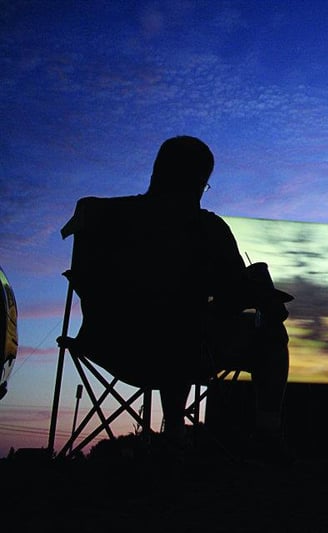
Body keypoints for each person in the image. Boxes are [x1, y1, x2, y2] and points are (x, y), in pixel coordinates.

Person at [71, 135, 291, 456]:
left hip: (109, 344)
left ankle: (174, 432)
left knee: (177, 320)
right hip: (186, 350)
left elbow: (84, 278)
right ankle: (267, 436)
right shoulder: (207, 228)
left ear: (156, 172)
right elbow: (230, 298)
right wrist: (262, 298)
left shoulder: (105, 216)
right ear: (201, 182)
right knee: (267, 333)